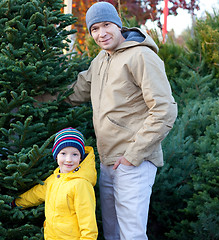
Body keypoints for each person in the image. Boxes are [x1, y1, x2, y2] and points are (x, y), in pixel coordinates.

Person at [65, 2, 178, 240]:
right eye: (95, 29)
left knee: (131, 235)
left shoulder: (141, 56)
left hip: (133, 162)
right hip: (108, 162)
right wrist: (30, 94)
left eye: (106, 25)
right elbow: (76, 91)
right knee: (112, 232)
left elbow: (165, 110)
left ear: (118, 25)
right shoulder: (101, 59)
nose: (101, 33)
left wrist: (132, 156)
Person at [10, 127, 98, 240]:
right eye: (63, 153)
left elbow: (88, 221)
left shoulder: (81, 184)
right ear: (56, 156)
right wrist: (16, 202)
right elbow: (36, 194)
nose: (69, 159)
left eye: (75, 154)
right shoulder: (53, 179)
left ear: (81, 157)